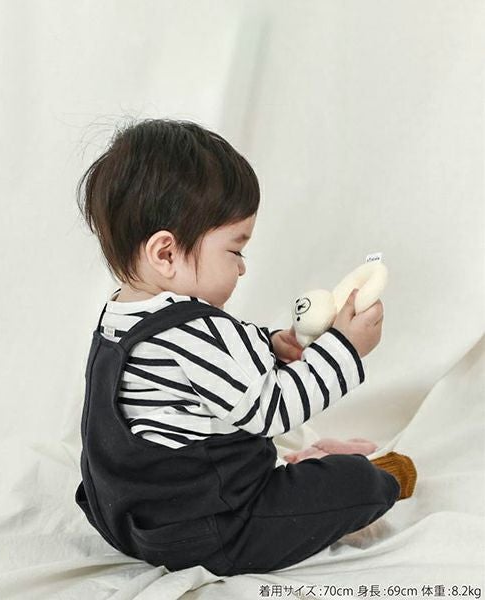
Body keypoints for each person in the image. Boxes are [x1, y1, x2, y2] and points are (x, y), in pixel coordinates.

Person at [74, 118, 417, 577]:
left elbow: (206, 371)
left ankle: (302, 467)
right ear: (166, 254)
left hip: (127, 517)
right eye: (235, 251)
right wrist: (345, 349)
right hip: (210, 531)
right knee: (353, 484)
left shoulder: (120, 315)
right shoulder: (194, 329)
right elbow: (270, 410)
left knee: (264, 460)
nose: (242, 268)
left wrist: (272, 346)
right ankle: (379, 476)